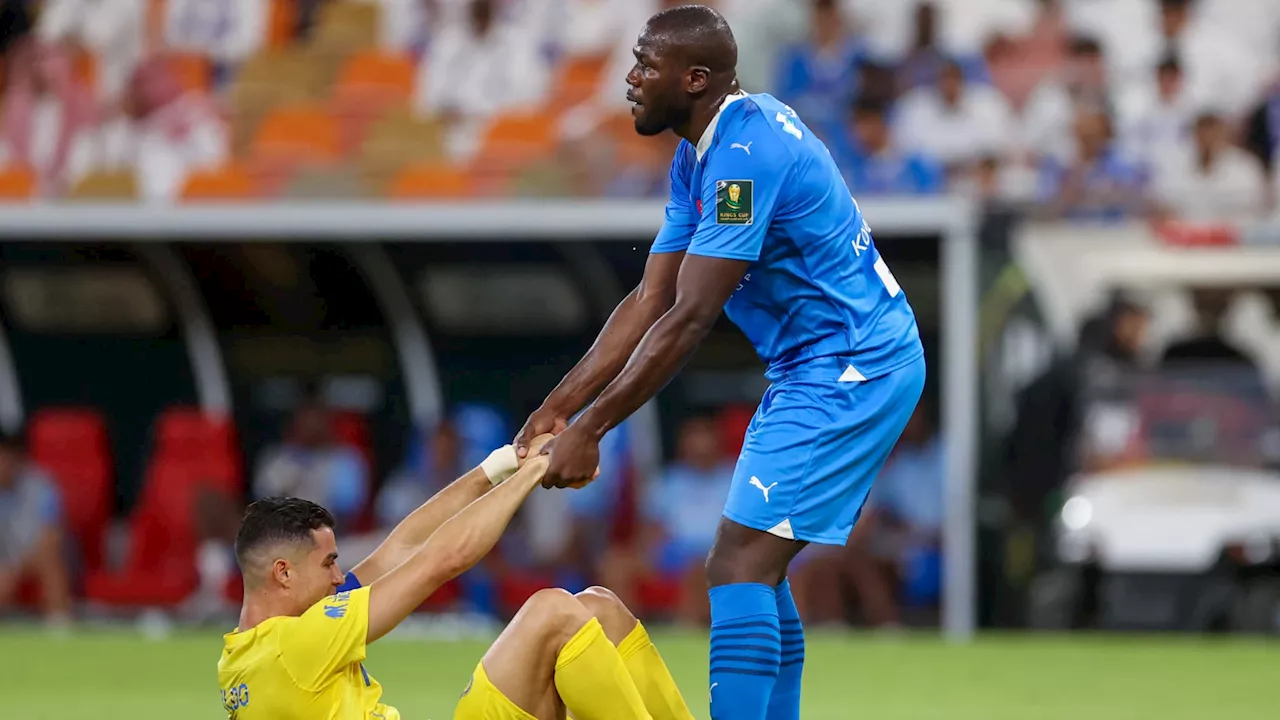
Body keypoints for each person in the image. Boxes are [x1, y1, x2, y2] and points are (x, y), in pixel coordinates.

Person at [514, 5, 925, 719]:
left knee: (737, 563)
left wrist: (593, 429)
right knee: (754, 570)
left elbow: (690, 318)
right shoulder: (699, 154)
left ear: (695, 78)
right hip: (821, 366)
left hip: (850, 365)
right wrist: (559, 406)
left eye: (647, 65)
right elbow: (649, 299)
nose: (631, 79)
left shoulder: (744, 157)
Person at [218, 434, 693, 720]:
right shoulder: (298, 643)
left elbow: (401, 549)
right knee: (552, 611)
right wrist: (538, 471)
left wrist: (501, 466)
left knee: (599, 607)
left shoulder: (255, 652)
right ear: (283, 573)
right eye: (328, 564)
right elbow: (442, 560)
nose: (340, 577)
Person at [0, 430, 72, 626]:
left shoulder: (41, 485)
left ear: (15, 459)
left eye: (3, 459)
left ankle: (59, 627)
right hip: (4, 563)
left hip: (33, 558)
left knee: (50, 559)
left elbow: (51, 537)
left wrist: (14, 571)